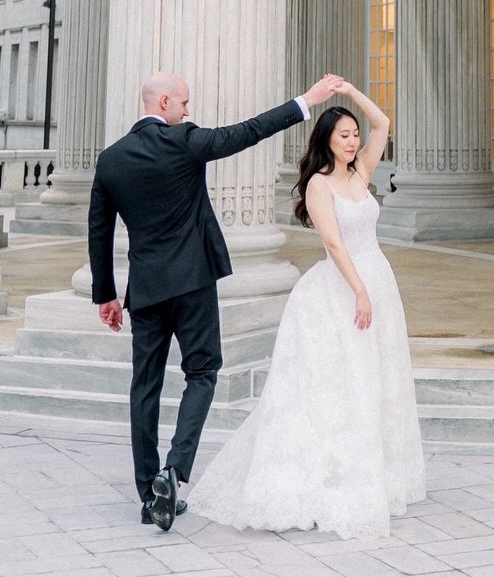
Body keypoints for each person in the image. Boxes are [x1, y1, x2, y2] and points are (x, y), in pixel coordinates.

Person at [88, 69, 347, 531]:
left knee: (144, 386)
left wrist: (106, 295)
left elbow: (99, 232)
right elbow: (249, 132)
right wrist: (306, 100)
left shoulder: (110, 160)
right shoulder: (185, 141)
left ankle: (149, 494)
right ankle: (175, 470)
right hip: (192, 281)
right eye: (184, 103)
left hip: (145, 289)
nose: (188, 111)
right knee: (202, 373)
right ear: (164, 101)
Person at [190, 81, 426, 543]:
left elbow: (384, 123)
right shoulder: (319, 184)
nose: (354, 140)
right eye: (343, 135)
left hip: (377, 278)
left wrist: (354, 92)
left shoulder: (360, 174)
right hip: (340, 289)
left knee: (375, 377)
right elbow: (334, 243)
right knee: (337, 383)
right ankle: (327, 476)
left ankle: (377, 472)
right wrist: (359, 290)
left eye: (354, 134)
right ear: (326, 141)